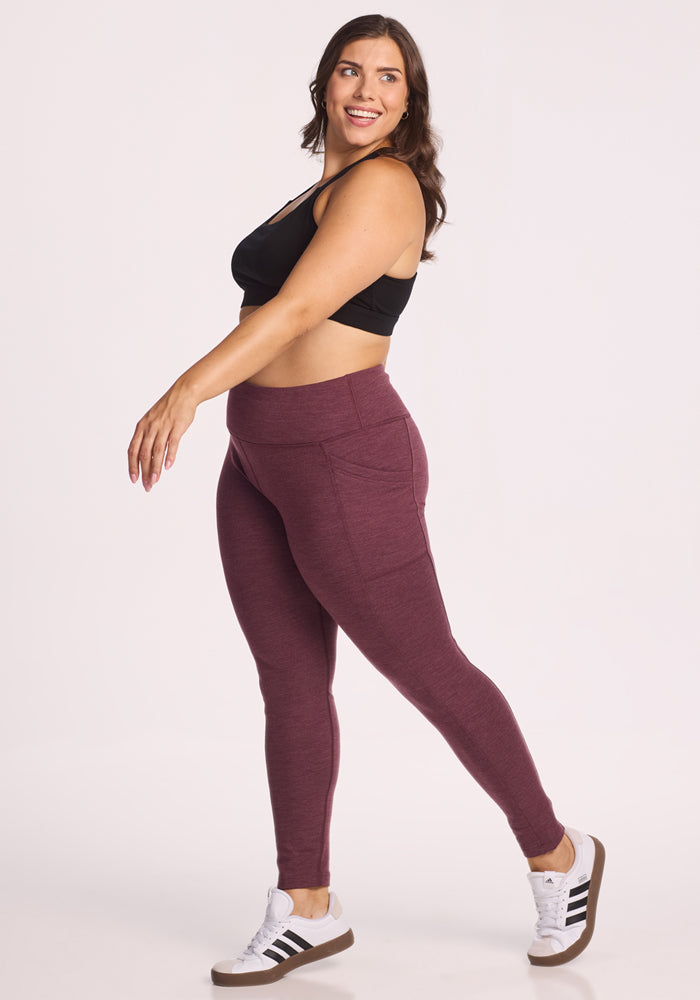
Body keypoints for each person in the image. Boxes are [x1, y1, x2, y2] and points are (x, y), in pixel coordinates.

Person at [127, 13, 605, 988]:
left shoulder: (387, 186)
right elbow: (275, 310)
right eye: (350, 68)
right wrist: (221, 409)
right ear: (324, 82)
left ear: (408, 99)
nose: (366, 88)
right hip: (259, 464)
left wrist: (185, 387)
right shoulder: (327, 184)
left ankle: (558, 853)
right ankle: (304, 904)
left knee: (428, 670)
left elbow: (300, 308)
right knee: (290, 683)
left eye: (388, 76)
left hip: (347, 462)